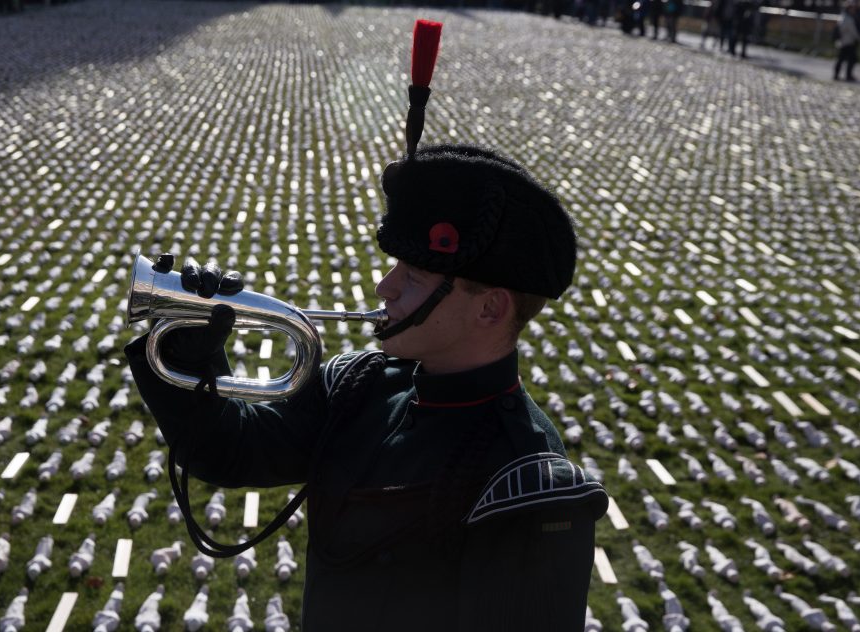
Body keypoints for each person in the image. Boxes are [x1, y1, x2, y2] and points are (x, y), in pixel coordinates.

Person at [126, 20, 608, 632]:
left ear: (491, 308)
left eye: (412, 276)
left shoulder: (526, 479)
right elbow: (230, 452)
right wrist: (192, 359)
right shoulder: (360, 386)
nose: (384, 288)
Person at [834, 0, 859, 81]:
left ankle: (836, 75)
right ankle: (848, 75)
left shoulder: (842, 17)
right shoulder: (849, 19)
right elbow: (853, 32)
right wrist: (859, 38)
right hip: (848, 41)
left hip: (842, 41)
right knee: (851, 59)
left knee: (841, 59)